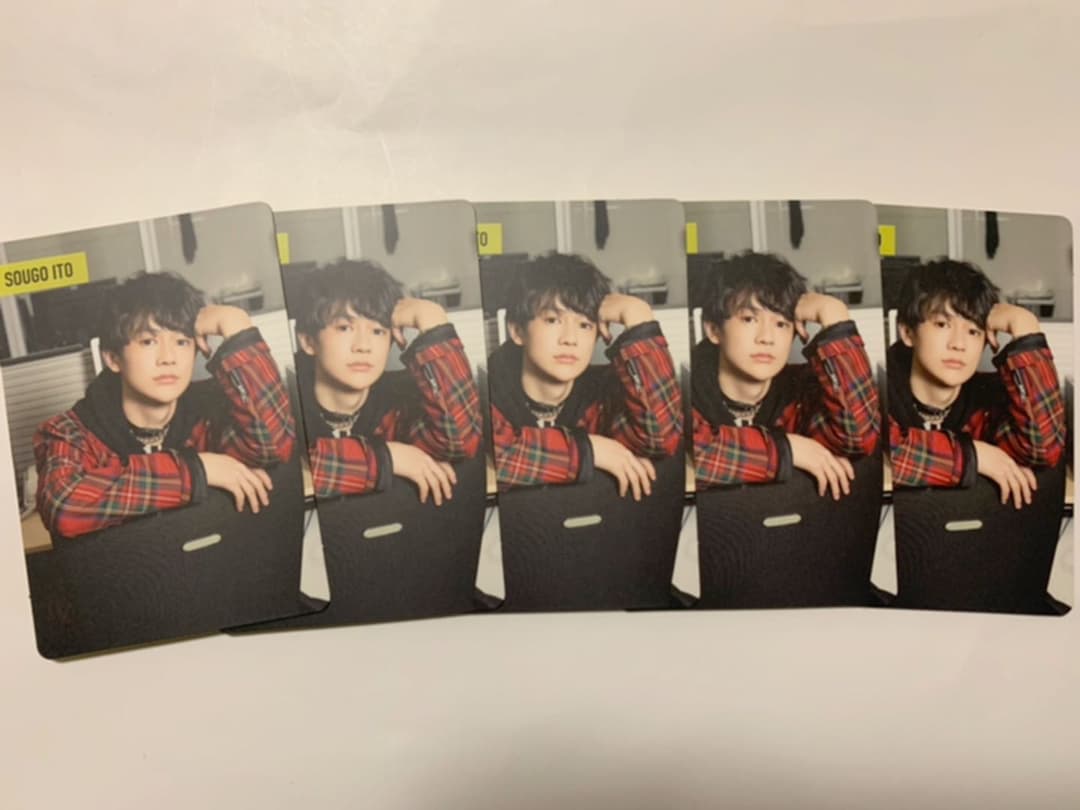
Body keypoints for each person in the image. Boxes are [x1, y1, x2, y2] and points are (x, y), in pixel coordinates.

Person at [34, 271, 295, 539]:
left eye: (182, 342)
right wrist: (197, 470)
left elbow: (273, 445)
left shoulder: (209, 413)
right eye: (149, 342)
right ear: (112, 358)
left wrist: (237, 327)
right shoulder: (69, 432)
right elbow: (64, 507)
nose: (168, 358)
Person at [488, 252, 682, 500]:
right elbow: (500, 455)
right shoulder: (490, 389)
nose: (570, 339)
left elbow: (662, 437)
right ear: (517, 331)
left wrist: (639, 318)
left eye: (585, 325)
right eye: (552, 320)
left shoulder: (603, 393)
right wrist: (589, 450)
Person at [692, 251, 880, 499]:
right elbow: (696, 452)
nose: (766, 338)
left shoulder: (801, 391)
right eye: (749, 319)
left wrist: (835, 316)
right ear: (714, 330)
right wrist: (787, 449)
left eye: (781, 324)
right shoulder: (687, 391)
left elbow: (859, 436)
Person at [293, 259, 481, 503]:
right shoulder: (288, 404)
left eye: (378, 331)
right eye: (344, 328)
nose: (363, 346)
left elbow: (461, 440)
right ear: (308, 341)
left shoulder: (400, 402)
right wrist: (388, 458)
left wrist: (433, 322)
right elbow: (291, 465)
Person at [888, 258, 1065, 508]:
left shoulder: (988, 399)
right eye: (942, 324)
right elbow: (884, 449)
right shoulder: (881, 386)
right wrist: (973, 456)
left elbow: (1044, 448)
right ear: (907, 332)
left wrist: (1026, 328)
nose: (958, 344)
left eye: (973, 331)